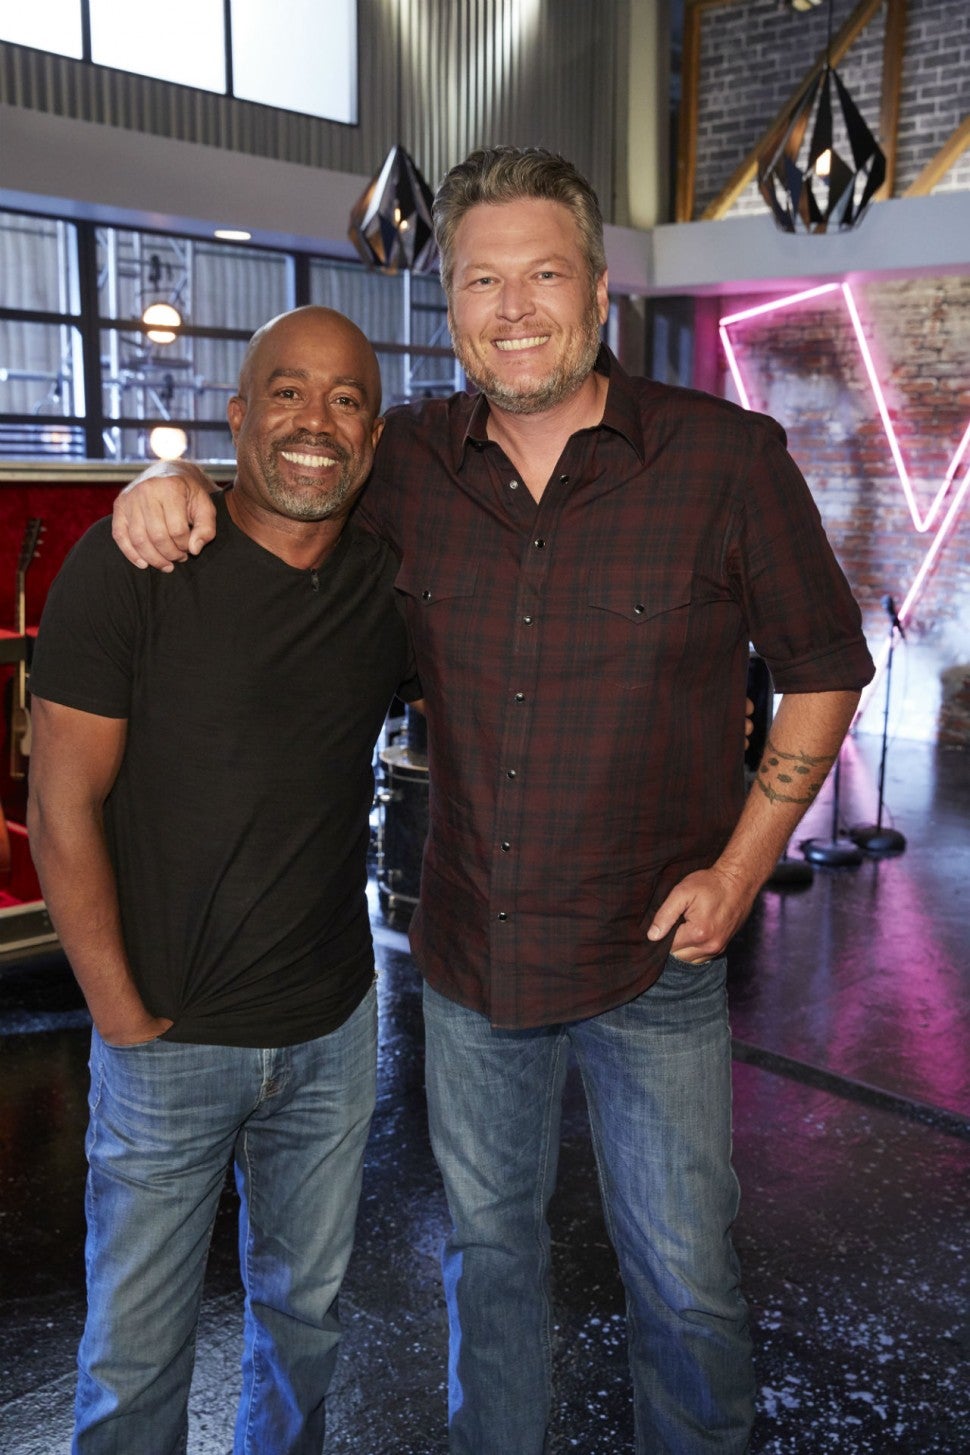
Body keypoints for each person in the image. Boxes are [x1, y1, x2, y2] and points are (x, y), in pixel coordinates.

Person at [110, 147, 875, 1454]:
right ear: (449, 302)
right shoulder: (405, 459)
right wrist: (158, 480)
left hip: (654, 960)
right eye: (480, 281)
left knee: (684, 1280)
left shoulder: (723, 458)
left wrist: (743, 865)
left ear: (598, 291)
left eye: (543, 276)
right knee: (487, 1257)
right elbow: (283, 489)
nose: (513, 309)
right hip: (471, 955)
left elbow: (821, 667)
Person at [26, 306, 420, 1454]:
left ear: (373, 437)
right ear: (238, 416)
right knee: (134, 1358)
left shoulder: (385, 588)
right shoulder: (136, 564)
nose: (315, 421)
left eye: (346, 399)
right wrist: (119, 1014)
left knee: (303, 1326)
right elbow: (59, 806)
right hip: (169, 1040)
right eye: (287, 392)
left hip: (333, 1032)